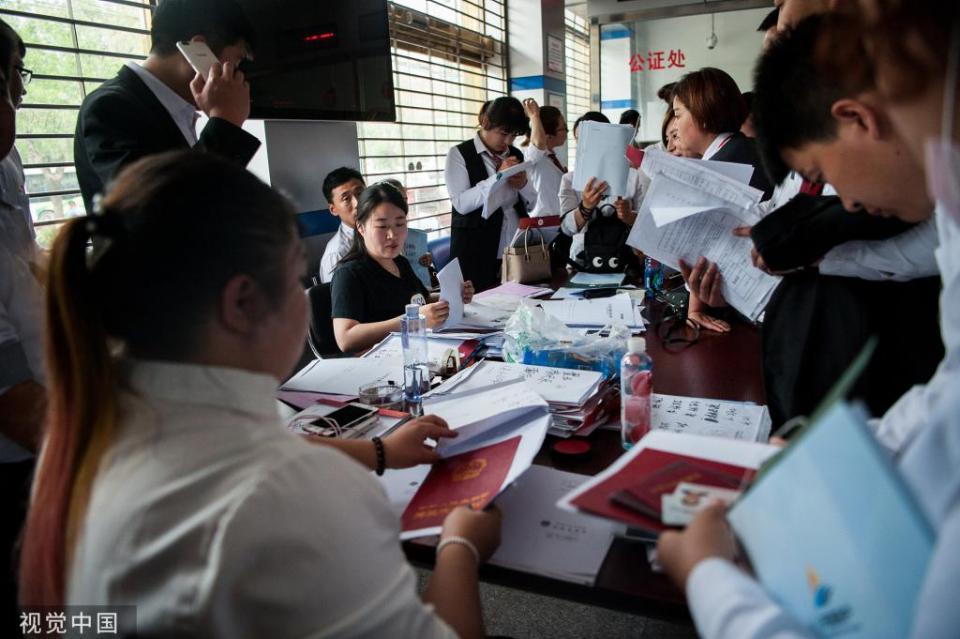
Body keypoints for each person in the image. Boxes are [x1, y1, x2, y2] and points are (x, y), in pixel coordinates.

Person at [18, 152, 501, 639]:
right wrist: (459, 546)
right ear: (242, 303)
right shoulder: (287, 494)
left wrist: (378, 449)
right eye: (295, 280)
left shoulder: (89, 434)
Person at [657, 5, 960, 636]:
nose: (843, 204)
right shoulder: (947, 181)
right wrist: (843, 450)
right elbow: (949, 399)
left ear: (853, 117)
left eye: (822, 175)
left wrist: (711, 581)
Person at [74, 0, 261, 213]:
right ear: (199, 49)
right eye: (236, 62)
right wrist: (225, 123)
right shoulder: (110, 107)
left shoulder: (179, 109)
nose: (238, 74)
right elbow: (162, 210)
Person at [0, 19, 44, 636]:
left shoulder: (7, 163)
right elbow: (12, 398)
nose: (19, 96)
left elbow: (26, 262)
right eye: (12, 80)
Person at [332, 182, 474, 352]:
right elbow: (346, 338)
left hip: (419, 350)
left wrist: (453, 293)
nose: (392, 235)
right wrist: (413, 321)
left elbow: (422, 299)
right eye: (382, 226)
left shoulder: (400, 262)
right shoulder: (349, 274)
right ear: (361, 228)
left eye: (400, 224)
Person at [444, 96, 537, 291]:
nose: (508, 141)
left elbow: (532, 203)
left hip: (513, 250)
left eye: (513, 136)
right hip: (475, 250)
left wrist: (524, 185)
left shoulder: (515, 154)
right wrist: (498, 177)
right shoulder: (459, 154)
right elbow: (461, 203)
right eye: (503, 133)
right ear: (485, 122)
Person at [558, 111, 649, 269]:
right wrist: (585, 208)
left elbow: (647, 224)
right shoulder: (569, 180)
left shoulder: (634, 177)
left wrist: (628, 216)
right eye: (579, 141)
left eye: (590, 140)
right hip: (581, 261)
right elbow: (566, 229)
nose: (583, 147)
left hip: (624, 260)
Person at [672, 67, 774, 198]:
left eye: (678, 115)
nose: (675, 125)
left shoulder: (723, 166)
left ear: (703, 115)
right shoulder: (743, 147)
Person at [521, 97, 568, 219]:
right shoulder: (533, 156)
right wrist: (534, 115)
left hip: (560, 220)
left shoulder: (552, 157)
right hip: (543, 222)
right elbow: (539, 143)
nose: (567, 132)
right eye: (563, 128)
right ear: (547, 135)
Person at [317, 167, 365, 283]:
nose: (357, 203)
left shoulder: (384, 234)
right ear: (333, 209)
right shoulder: (337, 254)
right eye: (346, 199)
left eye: (360, 193)